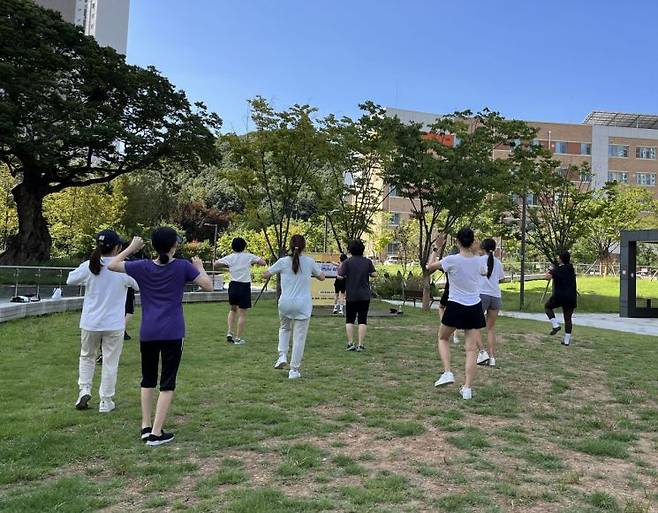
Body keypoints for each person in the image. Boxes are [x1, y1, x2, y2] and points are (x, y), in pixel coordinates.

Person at [108, 227, 212, 446]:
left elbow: (112, 264)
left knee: (147, 379)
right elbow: (208, 286)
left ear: (154, 246)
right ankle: (156, 433)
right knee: (167, 382)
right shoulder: (183, 266)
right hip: (173, 332)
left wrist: (131, 248)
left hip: (149, 332)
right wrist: (200, 268)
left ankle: (146, 426)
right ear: (175, 245)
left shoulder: (142, 266)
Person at [67, 229, 139, 413]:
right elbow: (139, 284)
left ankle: (84, 389)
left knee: (87, 356)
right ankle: (106, 401)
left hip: (90, 322)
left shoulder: (90, 266)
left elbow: (70, 280)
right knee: (110, 361)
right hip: (114, 324)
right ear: (117, 248)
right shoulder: (122, 268)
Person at [428, 227, 486, 400]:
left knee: (443, 338)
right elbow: (483, 269)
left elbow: (429, 267)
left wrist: (436, 248)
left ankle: (447, 372)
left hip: (455, 305)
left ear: (457, 241)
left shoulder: (452, 260)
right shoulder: (479, 261)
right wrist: (476, 250)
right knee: (471, 349)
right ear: (472, 241)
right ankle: (467, 388)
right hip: (474, 306)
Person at [263, 234, 325, 379]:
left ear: (290, 246)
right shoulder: (309, 262)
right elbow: (321, 277)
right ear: (304, 246)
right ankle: (294, 370)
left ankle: (282, 355)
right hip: (303, 304)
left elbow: (265, 275)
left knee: (284, 328)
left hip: (285, 302)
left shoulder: (283, 261)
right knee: (299, 337)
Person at [214, 237, 266, 345]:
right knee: (242, 314)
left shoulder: (230, 257)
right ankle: (238, 339)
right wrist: (253, 262)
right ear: (244, 246)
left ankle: (229, 332)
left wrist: (228, 265)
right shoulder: (249, 256)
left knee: (233, 309)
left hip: (233, 285)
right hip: (244, 286)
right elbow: (263, 262)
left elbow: (216, 264)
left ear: (232, 246)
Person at [337, 240, 377, 352]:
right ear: (362, 249)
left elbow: (340, 275)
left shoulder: (347, 262)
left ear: (350, 250)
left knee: (350, 319)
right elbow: (374, 274)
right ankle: (360, 344)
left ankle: (350, 343)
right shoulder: (367, 262)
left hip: (351, 295)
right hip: (364, 295)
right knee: (362, 320)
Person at [476, 238, 505, 367]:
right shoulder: (498, 262)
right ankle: (492, 357)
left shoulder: (479, 260)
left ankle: (482, 352)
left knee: (473, 325)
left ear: (483, 248)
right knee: (491, 328)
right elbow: (502, 279)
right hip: (496, 296)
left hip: (482, 295)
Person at [544, 250, 577, 346]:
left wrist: (550, 270)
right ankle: (566, 341)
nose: (557, 259)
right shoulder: (571, 269)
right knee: (568, 318)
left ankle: (555, 325)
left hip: (559, 295)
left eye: (558, 257)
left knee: (547, 307)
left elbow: (547, 277)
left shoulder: (558, 269)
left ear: (561, 259)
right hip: (571, 296)